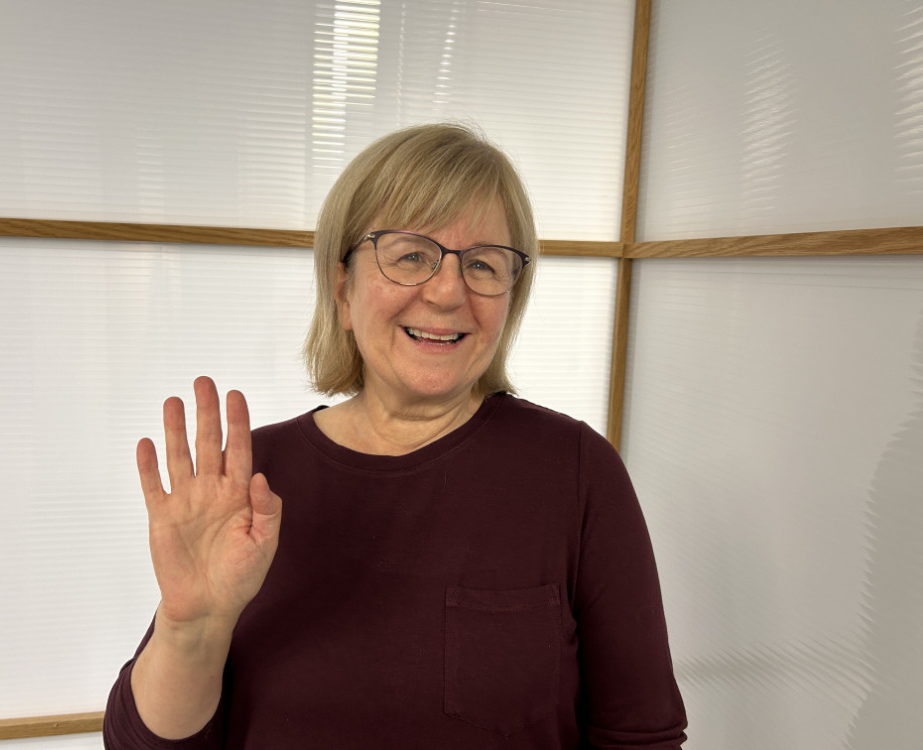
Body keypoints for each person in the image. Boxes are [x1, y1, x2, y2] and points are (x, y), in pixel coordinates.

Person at [103, 123, 688, 749]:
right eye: (411, 255)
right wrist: (192, 626)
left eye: (484, 264)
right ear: (342, 287)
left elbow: (641, 739)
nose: (446, 292)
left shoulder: (573, 471)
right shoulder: (251, 480)